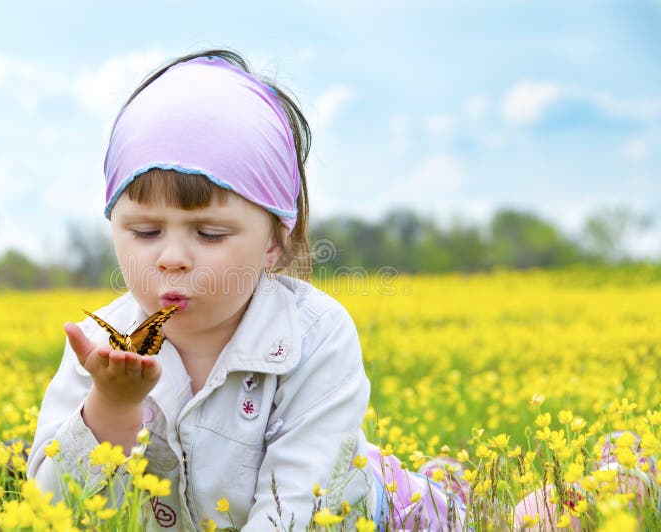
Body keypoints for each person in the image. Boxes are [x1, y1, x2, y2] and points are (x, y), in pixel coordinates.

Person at [27, 49, 465, 531]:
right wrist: (111, 406)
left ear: (275, 241)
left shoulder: (315, 336)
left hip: (374, 518)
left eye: (209, 234)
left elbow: (295, 510)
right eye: (145, 232)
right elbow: (51, 511)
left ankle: (455, 493)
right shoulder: (100, 348)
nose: (171, 257)